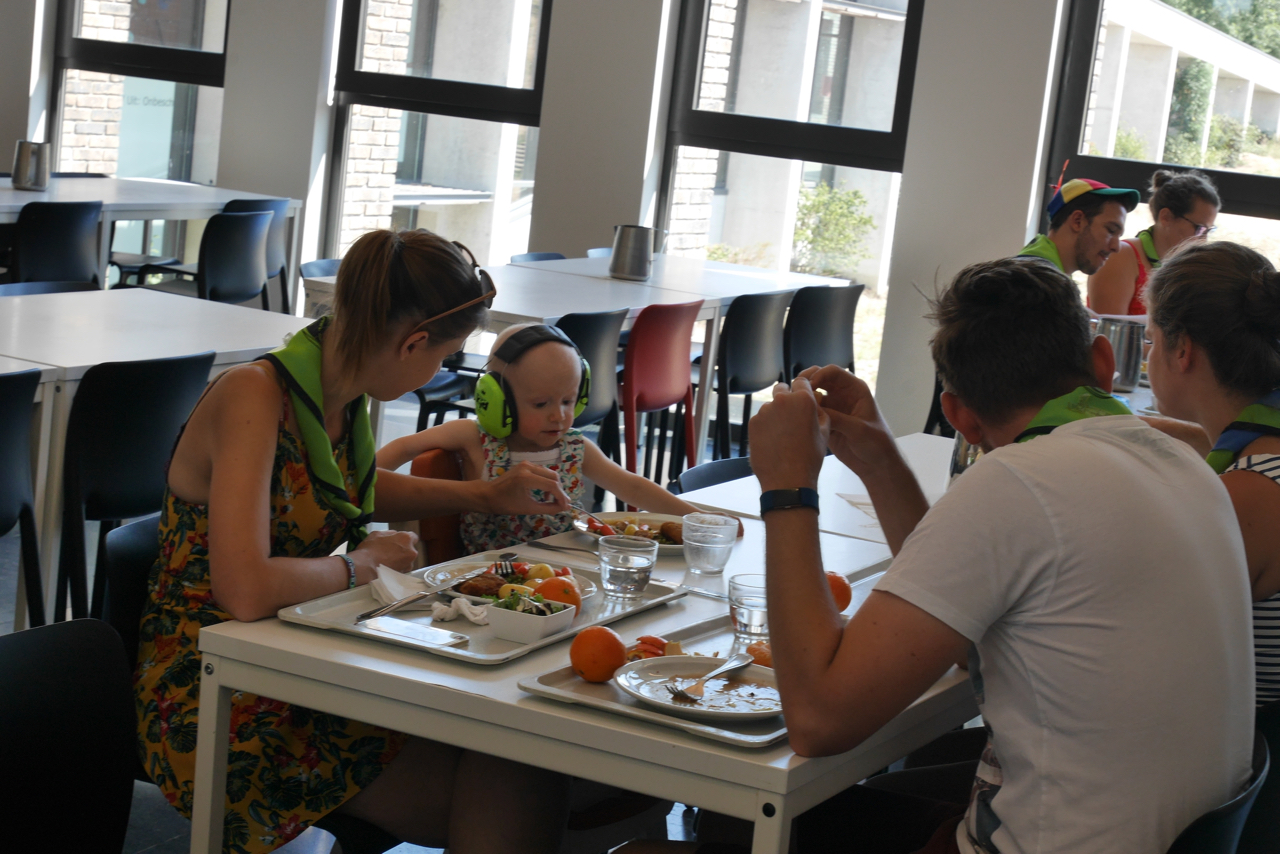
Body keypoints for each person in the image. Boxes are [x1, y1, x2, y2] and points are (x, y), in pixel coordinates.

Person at [746, 256, 1253, 853]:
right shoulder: (1186, 466)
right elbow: (961, 631)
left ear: (958, 415)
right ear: (1103, 362)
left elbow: (817, 721)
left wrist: (788, 488)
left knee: (752, 822)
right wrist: (881, 460)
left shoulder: (1020, 482)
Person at [135, 229, 571, 854]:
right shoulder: (254, 395)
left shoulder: (334, 390)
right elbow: (244, 589)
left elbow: (341, 488)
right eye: (444, 357)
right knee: (512, 781)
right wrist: (360, 566)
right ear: (412, 342)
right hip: (216, 685)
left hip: (296, 651)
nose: (436, 372)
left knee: (516, 758)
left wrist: (485, 494)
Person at [377, 322, 706, 552]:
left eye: (568, 401)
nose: (558, 415)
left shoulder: (575, 447)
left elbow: (631, 486)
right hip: (490, 569)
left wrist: (698, 520)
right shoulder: (474, 437)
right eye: (540, 404)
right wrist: (357, 486)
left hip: (565, 567)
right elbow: (405, 446)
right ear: (498, 398)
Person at [1144, 240, 1280, 707]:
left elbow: (1140, 647)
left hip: (1250, 742)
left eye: (1151, 340)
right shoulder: (1264, 453)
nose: (1148, 354)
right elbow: (1215, 441)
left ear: (1182, 349)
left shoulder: (1241, 500)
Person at [1088, 169, 1219, 316]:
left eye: (1209, 231)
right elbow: (1108, 329)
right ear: (1166, 217)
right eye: (1200, 229)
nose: (1204, 240)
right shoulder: (1120, 256)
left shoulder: (1186, 270)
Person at [1018, 178, 1139, 276]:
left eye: (1119, 235)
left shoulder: (1039, 271)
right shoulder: (1035, 281)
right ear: (1077, 221)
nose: (1116, 247)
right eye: (1111, 230)